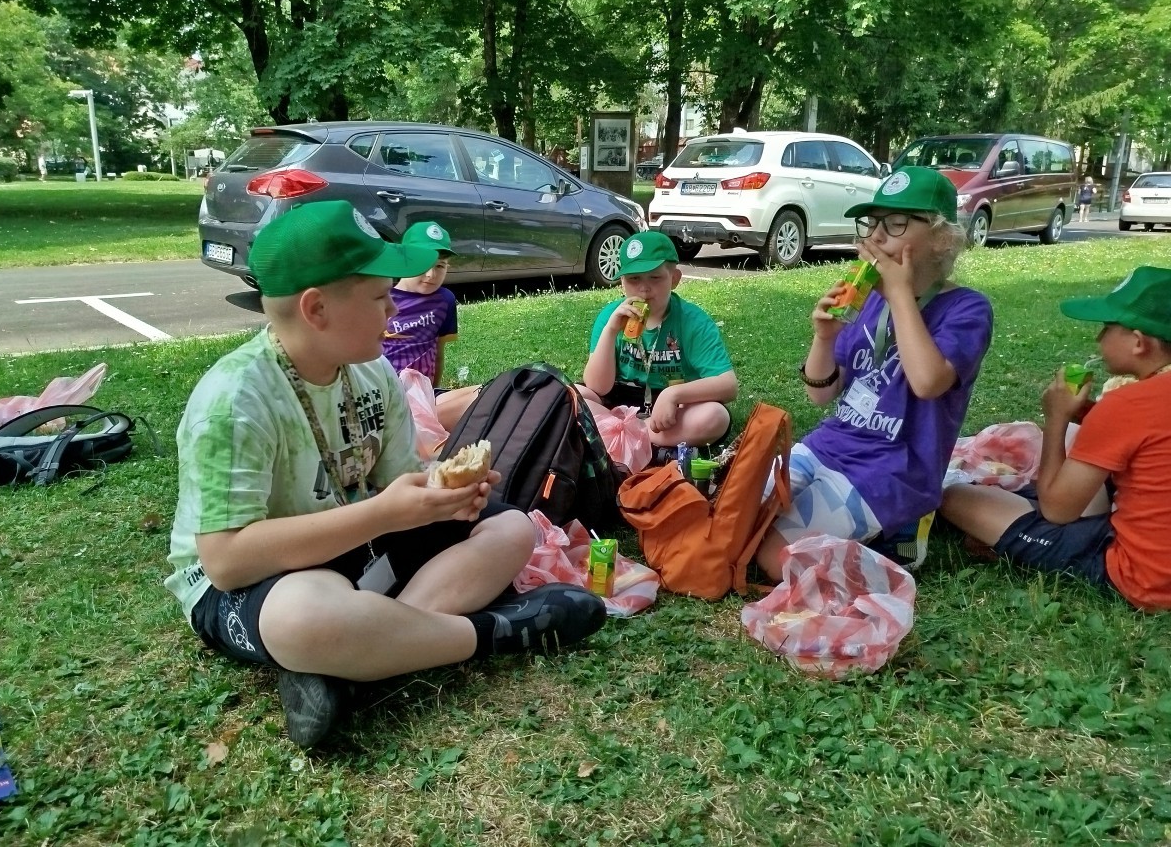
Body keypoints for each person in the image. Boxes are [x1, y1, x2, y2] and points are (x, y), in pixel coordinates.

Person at [165, 200, 606, 748]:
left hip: (358, 548)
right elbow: (226, 561)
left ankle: (356, 660)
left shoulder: (371, 372)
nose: (393, 310)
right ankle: (494, 632)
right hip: (261, 581)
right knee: (302, 617)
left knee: (512, 527)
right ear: (316, 308)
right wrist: (382, 514)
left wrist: (444, 497)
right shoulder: (234, 401)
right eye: (379, 297)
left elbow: (402, 484)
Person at [755, 167, 993, 581]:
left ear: (941, 237)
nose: (876, 236)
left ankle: (897, 544)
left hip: (893, 470)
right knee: (740, 517)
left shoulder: (967, 309)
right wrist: (824, 337)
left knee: (774, 558)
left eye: (896, 223)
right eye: (872, 223)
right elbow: (821, 394)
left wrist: (899, 293)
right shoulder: (869, 301)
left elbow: (928, 382)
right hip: (829, 447)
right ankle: (882, 533)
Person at [941, 267, 1171, 611]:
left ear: (1139, 342)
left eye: (1107, 327)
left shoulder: (1128, 404)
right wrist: (1089, 417)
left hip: (1146, 578)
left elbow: (1057, 511)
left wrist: (1057, 418)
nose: (1098, 338)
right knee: (1080, 439)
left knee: (954, 497)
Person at [580, 230, 737, 453]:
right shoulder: (610, 316)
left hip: (672, 408)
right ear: (622, 282)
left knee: (715, 416)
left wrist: (673, 394)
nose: (644, 288)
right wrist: (611, 331)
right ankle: (640, 438)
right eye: (633, 279)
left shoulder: (693, 321)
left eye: (655, 277)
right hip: (619, 400)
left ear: (674, 279)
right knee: (572, 396)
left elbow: (728, 385)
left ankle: (618, 436)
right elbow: (597, 386)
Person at [381, 221, 478, 431]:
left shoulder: (445, 300)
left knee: (485, 394)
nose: (431, 275)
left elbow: (438, 351)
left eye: (440, 266)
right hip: (387, 396)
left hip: (426, 395)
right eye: (422, 264)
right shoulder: (382, 298)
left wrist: (433, 389)